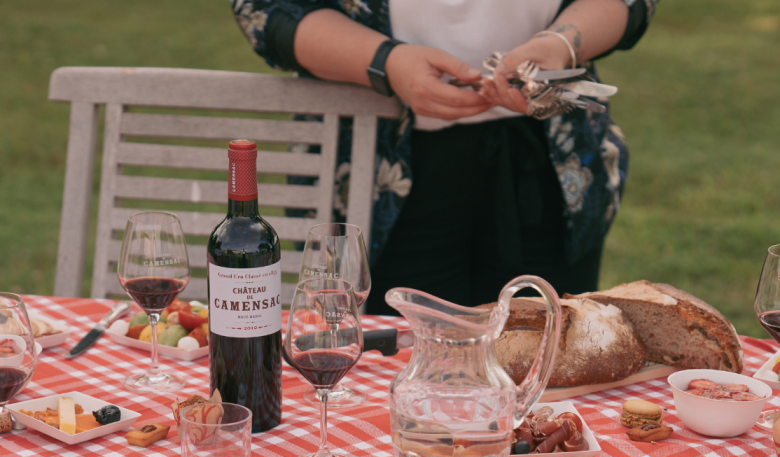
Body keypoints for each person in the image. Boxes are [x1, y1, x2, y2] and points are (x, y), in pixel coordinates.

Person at [231, 0, 658, 315]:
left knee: (548, 368)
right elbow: (267, 9)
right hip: (374, 171)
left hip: (553, 162)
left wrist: (562, 43)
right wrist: (386, 62)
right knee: (389, 371)